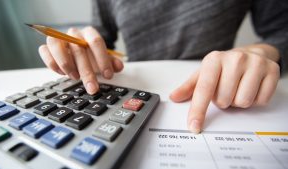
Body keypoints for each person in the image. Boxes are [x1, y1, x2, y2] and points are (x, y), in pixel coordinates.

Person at [38, 0, 288, 133]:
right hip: (132, 91)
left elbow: (281, 29)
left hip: (216, 94)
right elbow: (102, 35)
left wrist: (259, 52)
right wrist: (81, 46)